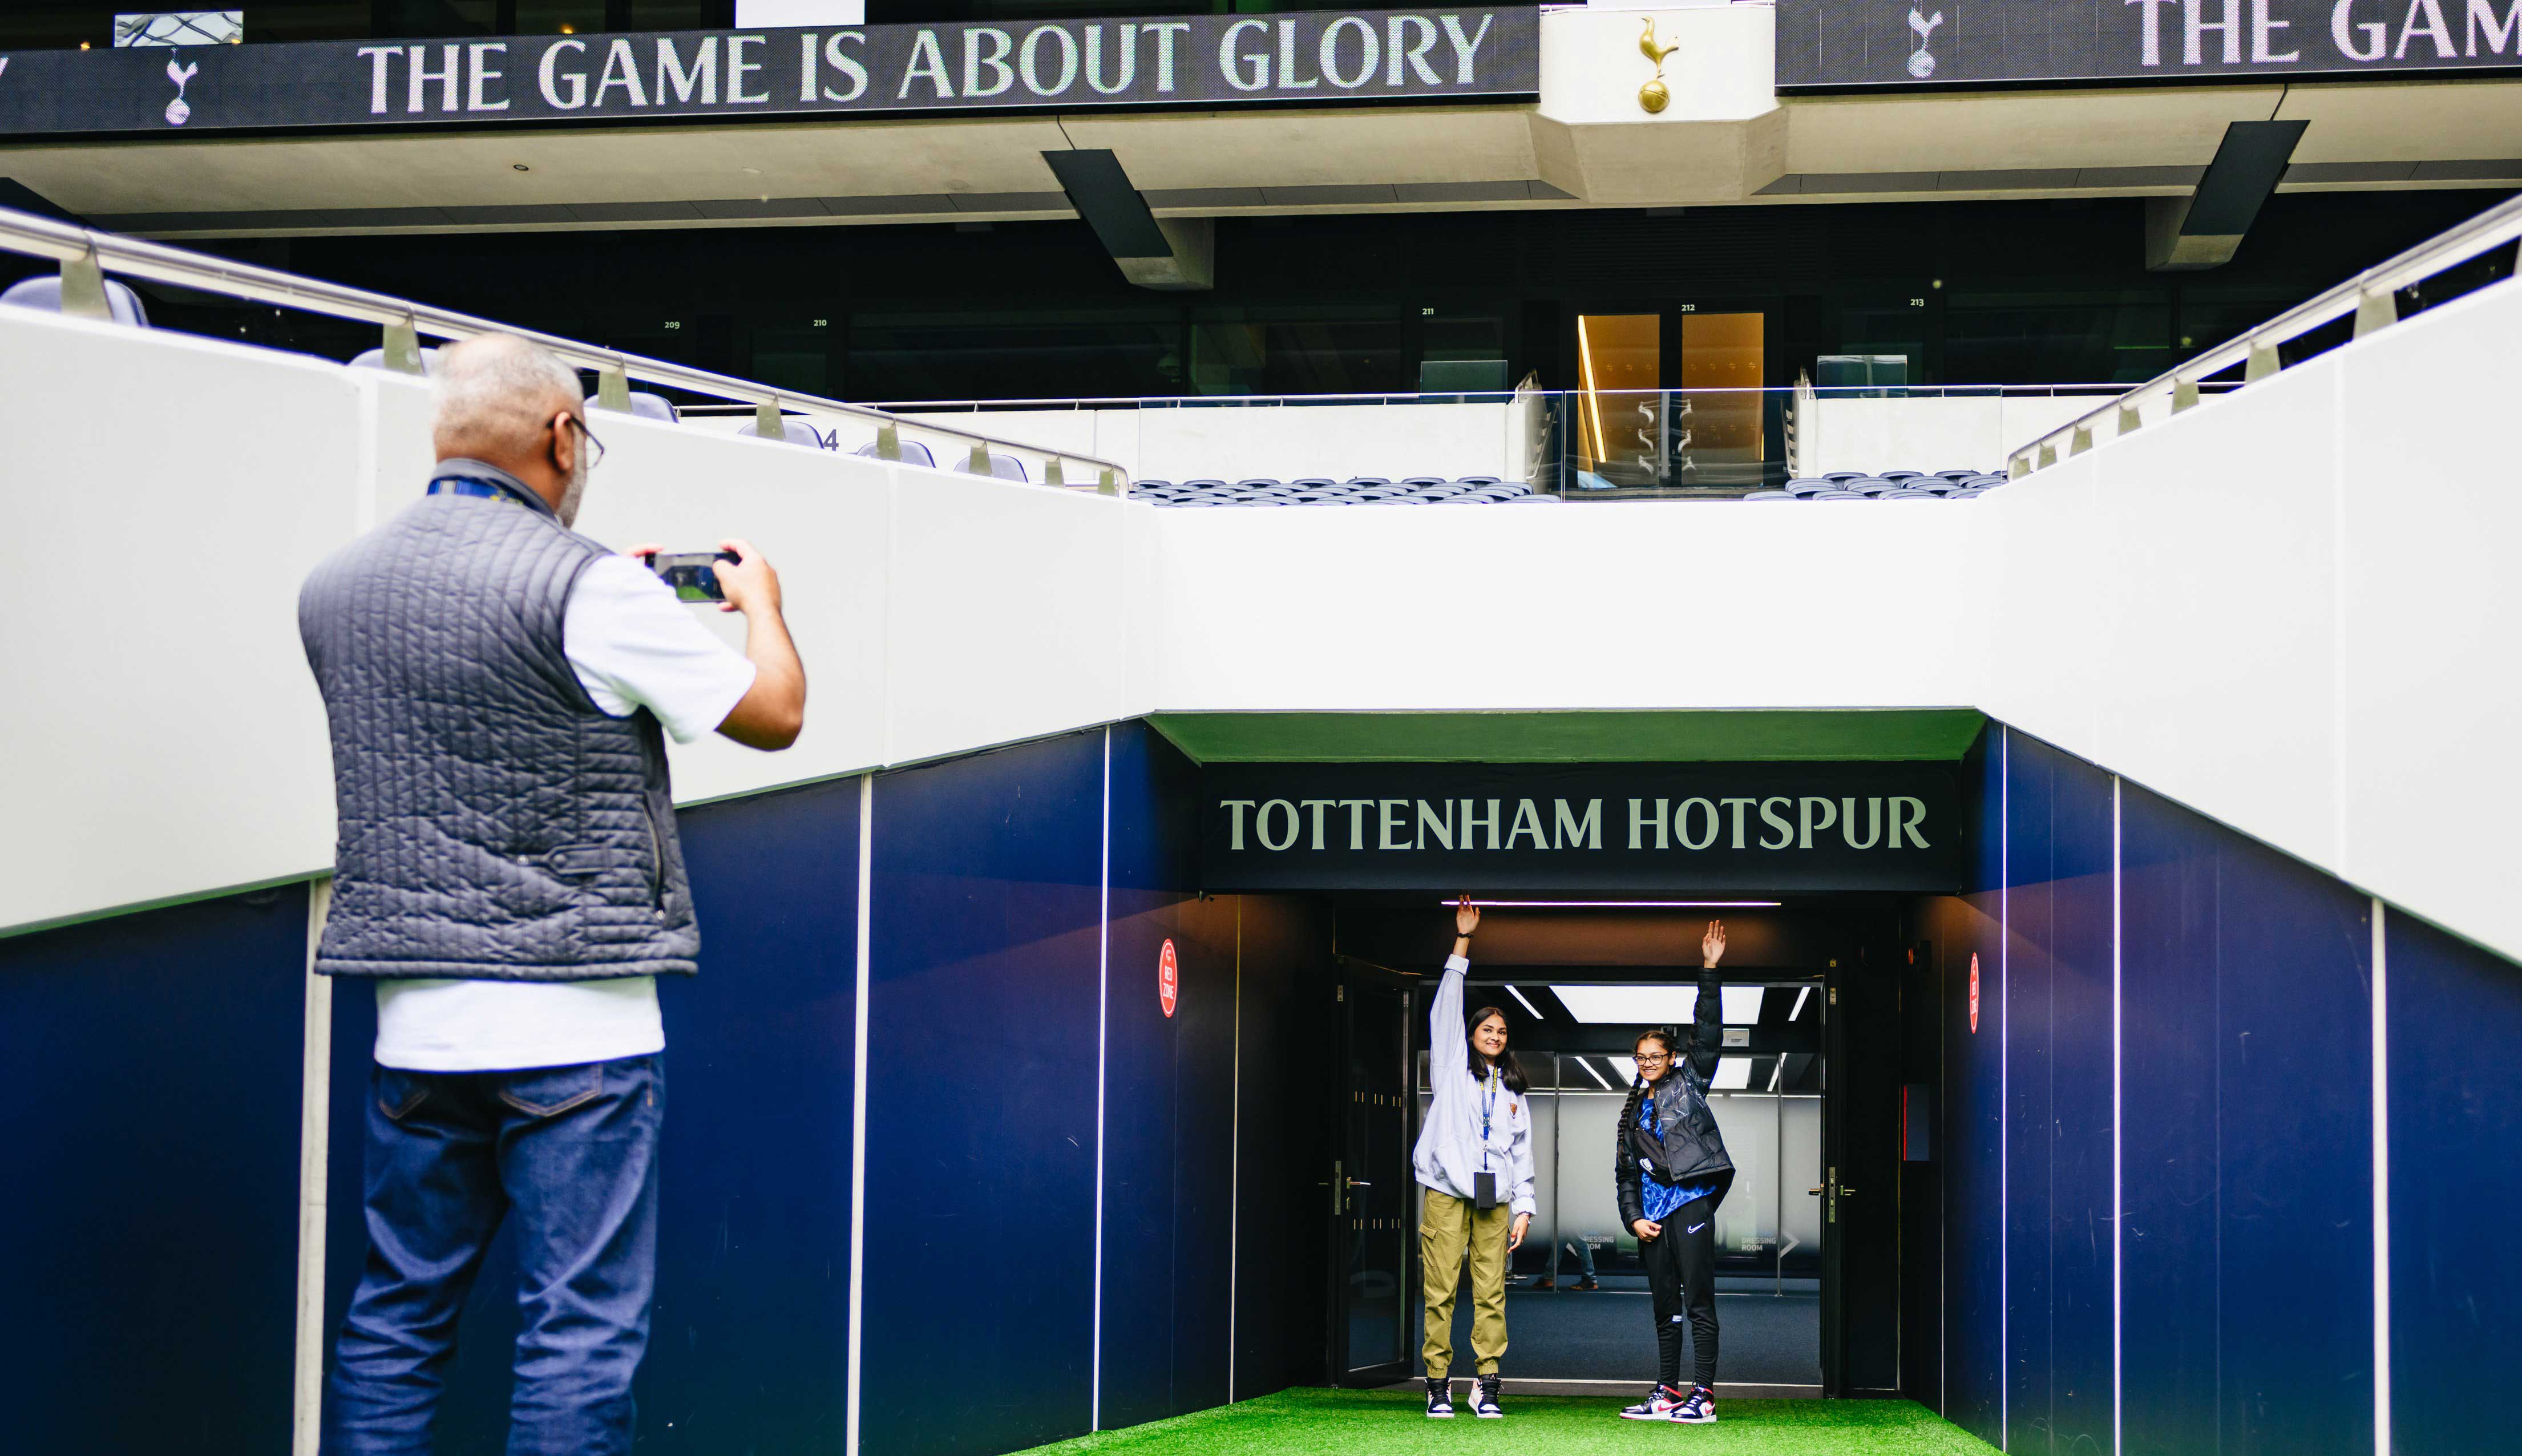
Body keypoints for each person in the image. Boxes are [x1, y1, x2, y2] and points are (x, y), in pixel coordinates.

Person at [298, 333, 807, 1455]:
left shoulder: (333, 589)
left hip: (416, 1027)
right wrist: (758, 602)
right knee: (577, 1324)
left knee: (397, 1316)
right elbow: (773, 713)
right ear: (562, 436)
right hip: (579, 1025)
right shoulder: (594, 591)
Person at [1412, 896, 1535, 1419]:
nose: (1496, 1036)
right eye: (1488, 1029)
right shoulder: (1452, 1071)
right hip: (1446, 1191)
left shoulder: (1512, 1088)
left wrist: (1525, 1205)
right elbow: (1446, 1008)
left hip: (1496, 1199)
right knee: (1440, 1291)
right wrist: (1463, 941)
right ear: (1471, 1035)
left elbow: (1522, 1152)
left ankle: (1486, 1382)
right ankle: (1437, 1383)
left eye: (1502, 1032)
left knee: (1492, 1294)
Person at [1614, 920, 1736, 1426]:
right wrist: (1632, 1219)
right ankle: (1666, 1391)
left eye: (1656, 1056)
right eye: (1641, 1058)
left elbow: (1707, 1036)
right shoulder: (1629, 1108)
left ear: (1671, 1059)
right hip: (1652, 1219)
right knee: (1665, 1307)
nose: (1648, 1063)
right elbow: (1624, 1171)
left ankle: (1703, 1396)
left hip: (1689, 1203)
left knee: (1699, 1301)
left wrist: (1709, 971)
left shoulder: (1689, 1084)